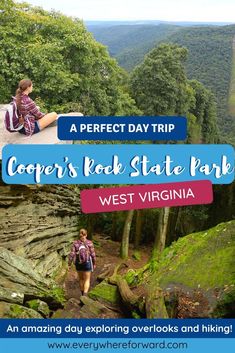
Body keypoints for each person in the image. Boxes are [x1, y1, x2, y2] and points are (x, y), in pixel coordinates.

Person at [68, 229, 96, 296]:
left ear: (79, 235)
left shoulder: (75, 243)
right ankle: (85, 295)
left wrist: (69, 264)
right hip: (87, 263)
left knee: (81, 279)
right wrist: (94, 263)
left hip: (78, 263)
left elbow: (72, 254)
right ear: (86, 235)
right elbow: (93, 254)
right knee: (87, 280)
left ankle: (82, 294)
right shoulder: (89, 243)